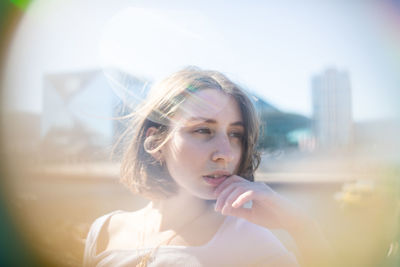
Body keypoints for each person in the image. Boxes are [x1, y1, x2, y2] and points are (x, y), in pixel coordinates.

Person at [83, 67, 333, 267]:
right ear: (156, 142)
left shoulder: (250, 242)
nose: (225, 154)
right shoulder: (104, 230)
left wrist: (301, 227)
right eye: (203, 130)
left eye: (236, 134)